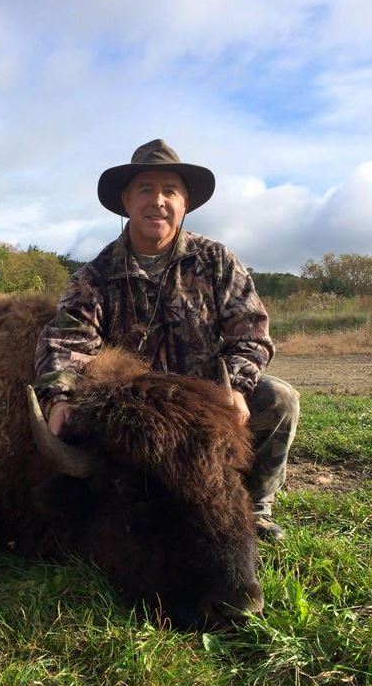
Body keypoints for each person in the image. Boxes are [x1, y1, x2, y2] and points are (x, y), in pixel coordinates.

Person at [33, 139, 299, 540]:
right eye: (145, 189)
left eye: (169, 191)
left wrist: (240, 388)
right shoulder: (93, 277)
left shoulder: (217, 260)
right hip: (136, 420)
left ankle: (255, 506)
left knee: (279, 400)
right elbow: (67, 344)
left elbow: (252, 333)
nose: (158, 201)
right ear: (126, 200)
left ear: (185, 202)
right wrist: (59, 399)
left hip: (207, 405)